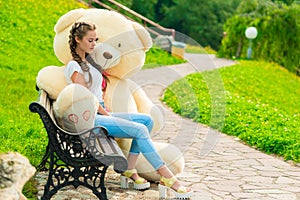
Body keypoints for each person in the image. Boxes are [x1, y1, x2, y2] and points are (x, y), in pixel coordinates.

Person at [65, 21, 192, 199]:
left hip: (99, 114)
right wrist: (107, 114)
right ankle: (166, 175)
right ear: (78, 39)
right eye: (90, 40)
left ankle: (129, 169)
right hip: (90, 120)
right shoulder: (74, 66)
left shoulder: (89, 61)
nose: (94, 44)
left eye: (96, 40)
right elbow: (86, 98)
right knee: (139, 130)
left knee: (146, 121)